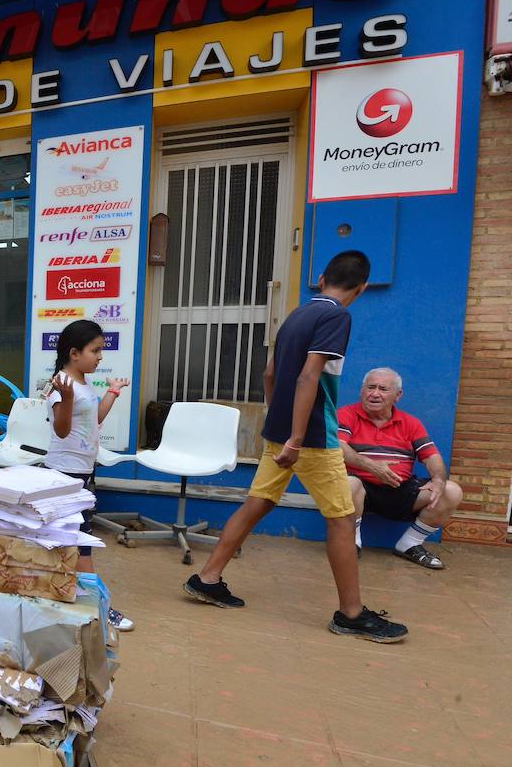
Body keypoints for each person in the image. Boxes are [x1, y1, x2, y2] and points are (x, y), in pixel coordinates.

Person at [182, 251, 408, 644]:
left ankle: (207, 578)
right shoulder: (337, 316)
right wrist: (298, 438)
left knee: (260, 501)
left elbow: (270, 373)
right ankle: (351, 614)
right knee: (341, 518)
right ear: (362, 288)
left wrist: (280, 423)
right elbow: (308, 377)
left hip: (280, 431)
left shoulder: (297, 315)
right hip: (313, 436)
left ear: (321, 278)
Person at [44, 319, 134, 633]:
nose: (100, 357)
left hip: (82, 470)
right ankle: (100, 606)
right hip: (65, 474)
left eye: (101, 351)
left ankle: (72, 596)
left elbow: (94, 420)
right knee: (80, 542)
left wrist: (112, 392)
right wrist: (66, 400)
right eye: (95, 350)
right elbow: (62, 429)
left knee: (72, 539)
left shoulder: (81, 383)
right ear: (74, 353)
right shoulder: (62, 385)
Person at [340, 367, 463, 569]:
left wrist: (438, 480)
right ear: (362, 391)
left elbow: (432, 457)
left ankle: (410, 544)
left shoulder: (411, 423)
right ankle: (351, 543)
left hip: (400, 490)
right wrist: (372, 467)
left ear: (398, 395)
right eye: (370, 387)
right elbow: (338, 448)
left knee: (451, 490)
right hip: (360, 491)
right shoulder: (346, 415)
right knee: (347, 482)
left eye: (383, 389)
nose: (375, 393)